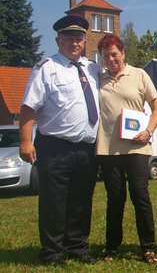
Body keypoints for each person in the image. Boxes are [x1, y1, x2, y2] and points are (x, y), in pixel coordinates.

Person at [19, 14, 102, 267]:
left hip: (87, 149)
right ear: (58, 40)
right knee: (54, 202)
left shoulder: (92, 69)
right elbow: (28, 108)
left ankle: (77, 246)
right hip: (55, 148)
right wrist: (25, 141)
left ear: (84, 41)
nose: (74, 43)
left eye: (78, 39)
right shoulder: (46, 69)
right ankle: (51, 252)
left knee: (81, 201)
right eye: (69, 38)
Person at [95, 34, 157, 264]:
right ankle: (112, 247)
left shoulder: (139, 75)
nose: (110, 59)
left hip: (137, 147)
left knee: (140, 195)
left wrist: (149, 131)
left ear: (123, 53)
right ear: (101, 59)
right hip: (108, 148)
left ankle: (148, 247)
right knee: (115, 198)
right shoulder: (98, 78)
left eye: (114, 54)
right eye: (106, 56)